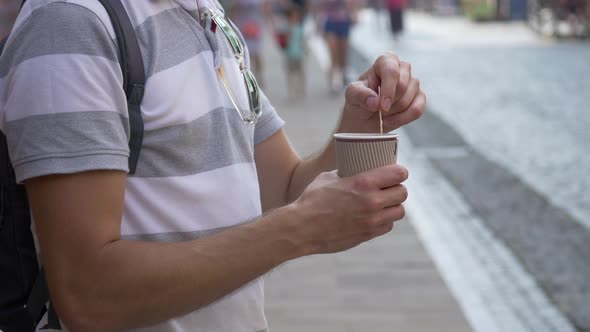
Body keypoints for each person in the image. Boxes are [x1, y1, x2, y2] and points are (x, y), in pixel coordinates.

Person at [0, 0, 425, 331]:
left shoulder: (207, 14)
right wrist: (300, 230)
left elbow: (284, 189)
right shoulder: (70, 22)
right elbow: (87, 295)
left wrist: (360, 123)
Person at [319, 0, 358, 93]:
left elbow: (353, 4)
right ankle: (333, 82)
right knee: (333, 55)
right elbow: (320, 6)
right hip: (330, 22)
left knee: (343, 56)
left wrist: (354, 14)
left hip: (344, 22)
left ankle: (343, 76)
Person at [229, 0, 268, 87]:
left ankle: (258, 77)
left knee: (255, 53)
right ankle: (249, 77)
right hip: (244, 26)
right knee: (246, 54)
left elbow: (265, 8)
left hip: (254, 25)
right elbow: (234, 9)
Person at [284, 4, 306, 100]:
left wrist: (305, 49)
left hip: (299, 54)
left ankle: (300, 89)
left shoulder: (300, 28)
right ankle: (292, 91)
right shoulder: (286, 28)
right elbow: (283, 41)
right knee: (291, 73)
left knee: (300, 73)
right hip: (289, 54)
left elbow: (303, 40)